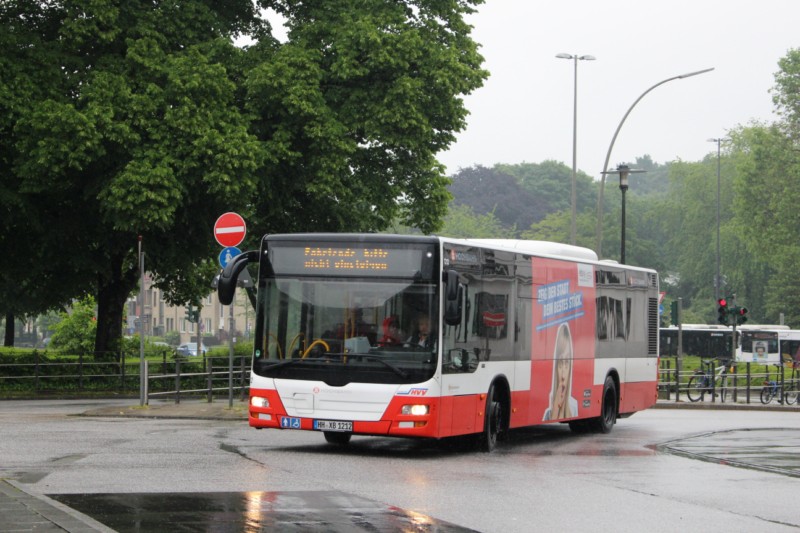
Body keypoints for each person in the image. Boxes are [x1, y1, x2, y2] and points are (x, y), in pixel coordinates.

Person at [543, 322, 579, 421]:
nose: (563, 375)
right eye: (559, 363)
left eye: (567, 362)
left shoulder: (574, 408)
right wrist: (555, 411)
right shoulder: (548, 414)